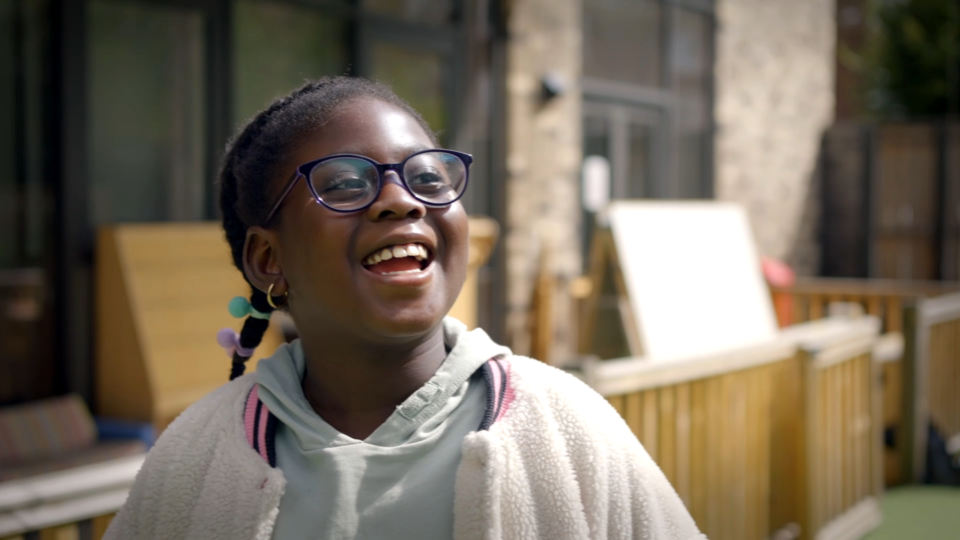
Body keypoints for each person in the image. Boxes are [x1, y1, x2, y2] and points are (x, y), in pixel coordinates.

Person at [104, 77, 703, 540]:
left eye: (429, 177)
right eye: (342, 183)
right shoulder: (196, 458)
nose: (400, 200)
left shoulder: (570, 431)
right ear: (268, 259)